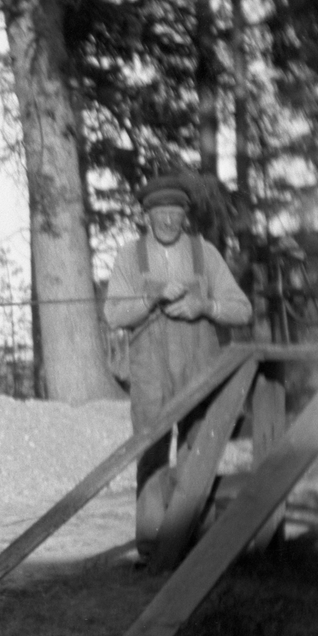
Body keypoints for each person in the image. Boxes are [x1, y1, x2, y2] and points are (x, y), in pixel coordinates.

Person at [103, 174, 252, 558]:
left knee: (197, 448)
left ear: (186, 216)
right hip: (149, 374)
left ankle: (190, 541)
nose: (169, 222)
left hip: (199, 371)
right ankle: (153, 547)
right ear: (146, 216)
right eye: (160, 214)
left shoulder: (206, 253)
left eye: (176, 214)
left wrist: (206, 306)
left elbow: (243, 309)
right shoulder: (128, 257)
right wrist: (150, 298)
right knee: (151, 453)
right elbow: (114, 314)